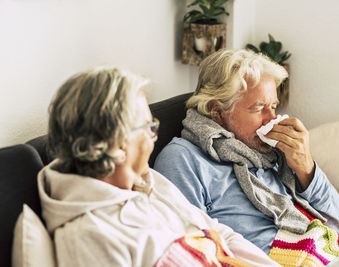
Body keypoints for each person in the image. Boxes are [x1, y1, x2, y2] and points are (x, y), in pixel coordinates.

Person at [37, 66, 280, 266]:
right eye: (148, 127)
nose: (155, 137)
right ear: (119, 144)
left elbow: (216, 231)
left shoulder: (148, 182)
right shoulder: (90, 236)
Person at [154, 49, 339, 256]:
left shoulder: (275, 154)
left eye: (274, 106)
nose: (271, 118)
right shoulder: (183, 159)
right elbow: (188, 253)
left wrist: (307, 169)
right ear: (216, 111)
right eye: (258, 108)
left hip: (326, 256)